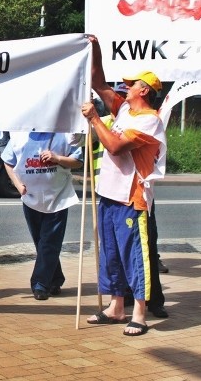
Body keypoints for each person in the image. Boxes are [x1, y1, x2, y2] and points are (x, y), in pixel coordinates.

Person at [80, 35, 166, 336]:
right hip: (109, 194)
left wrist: (94, 120)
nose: (125, 87)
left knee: (135, 257)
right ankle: (116, 307)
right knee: (112, 255)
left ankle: (140, 314)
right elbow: (98, 81)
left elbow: (115, 146)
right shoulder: (125, 110)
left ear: (144, 90)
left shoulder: (150, 121)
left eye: (131, 84)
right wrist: (94, 47)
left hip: (132, 198)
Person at [1, 132, 83, 300]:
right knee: (41, 242)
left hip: (58, 197)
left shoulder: (65, 135)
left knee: (49, 241)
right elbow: (8, 161)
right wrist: (17, 185)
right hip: (30, 198)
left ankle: (40, 284)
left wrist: (57, 158)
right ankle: (55, 279)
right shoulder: (20, 136)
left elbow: (78, 161)